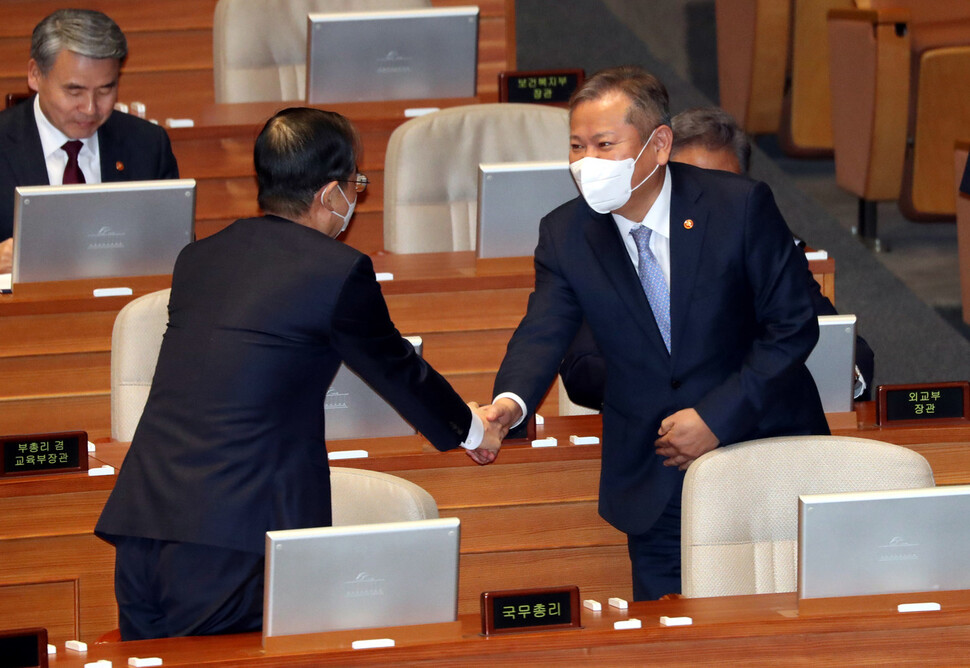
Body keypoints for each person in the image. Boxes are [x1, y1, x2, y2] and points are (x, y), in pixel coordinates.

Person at [95, 107, 504, 640]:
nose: (355, 199)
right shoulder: (335, 271)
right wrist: (476, 429)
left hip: (143, 526)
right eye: (357, 184)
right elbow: (397, 368)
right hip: (231, 537)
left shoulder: (199, 259)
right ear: (331, 193)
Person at [483, 67, 829, 601]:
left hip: (764, 452)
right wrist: (509, 404)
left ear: (658, 144)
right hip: (654, 473)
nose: (586, 164)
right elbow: (544, 327)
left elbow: (792, 325)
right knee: (669, 639)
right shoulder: (565, 233)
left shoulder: (737, 206)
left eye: (604, 145)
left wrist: (716, 417)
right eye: (576, 147)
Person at [559, 106, 875, 411]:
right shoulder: (618, 247)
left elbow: (846, 349)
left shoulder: (769, 245)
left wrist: (843, 376)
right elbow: (583, 368)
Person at [0, 8, 179, 273]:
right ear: (35, 75)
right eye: (75, 91)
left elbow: (177, 247)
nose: (90, 108)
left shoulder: (147, 144)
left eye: (106, 90)